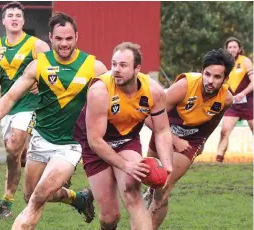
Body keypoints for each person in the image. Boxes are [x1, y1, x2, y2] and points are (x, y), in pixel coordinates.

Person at [0, 12, 107, 229]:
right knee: (30, 195)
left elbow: (113, 100)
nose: (64, 44)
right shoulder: (38, 65)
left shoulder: (94, 67)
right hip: (41, 139)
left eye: (69, 39)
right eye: (59, 39)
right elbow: (10, 97)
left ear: (76, 37)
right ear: (51, 38)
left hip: (71, 145)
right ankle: (79, 198)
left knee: (38, 198)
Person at [74, 42, 173, 230]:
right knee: (110, 217)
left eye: (123, 65)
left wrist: (167, 165)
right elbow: (95, 140)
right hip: (96, 147)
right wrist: (126, 165)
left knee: (132, 192)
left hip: (127, 141)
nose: (116, 70)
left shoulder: (154, 91)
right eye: (114, 64)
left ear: (137, 68)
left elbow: (162, 130)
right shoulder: (99, 91)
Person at [143, 48, 235, 229]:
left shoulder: (226, 99)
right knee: (150, 177)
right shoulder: (184, 86)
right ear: (202, 72)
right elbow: (148, 116)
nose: (210, 81)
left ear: (225, 79)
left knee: (163, 191)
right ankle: (149, 190)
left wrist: (202, 142)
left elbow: (213, 120)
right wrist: (174, 139)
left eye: (217, 77)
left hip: (190, 141)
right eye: (207, 74)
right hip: (164, 130)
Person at [0, 1, 50, 218]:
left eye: (18, 15)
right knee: (15, 157)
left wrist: (40, 84)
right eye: (10, 15)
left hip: (30, 105)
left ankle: (22, 197)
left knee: (14, 147)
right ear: (3, 20)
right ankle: (7, 204)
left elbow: (52, 73)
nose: (14, 18)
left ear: (23, 20)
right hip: (8, 106)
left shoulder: (37, 45)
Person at [216, 37, 253, 162]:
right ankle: (218, 159)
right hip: (233, 104)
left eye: (234, 47)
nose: (232, 49)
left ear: (239, 49)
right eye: (230, 47)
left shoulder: (245, 61)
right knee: (224, 131)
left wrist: (243, 93)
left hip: (249, 103)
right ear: (226, 49)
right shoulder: (223, 64)